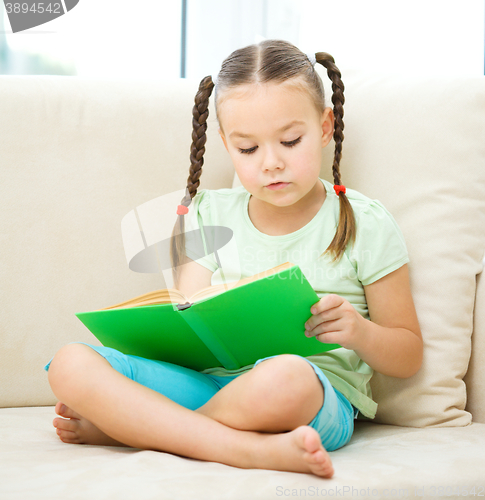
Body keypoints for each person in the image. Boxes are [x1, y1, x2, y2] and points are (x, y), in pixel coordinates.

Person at [45, 40, 423, 478]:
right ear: (226, 144)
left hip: (311, 395)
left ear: (324, 128)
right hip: (209, 383)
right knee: (70, 362)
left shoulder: (365, 222)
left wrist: (359, 332)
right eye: (248, 149)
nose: (271, 164)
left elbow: (408, 355)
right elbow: (188, 318)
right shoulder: (209, 213)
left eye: (290, 140)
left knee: (286, 376)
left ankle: (141, 430)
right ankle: (236, 445)